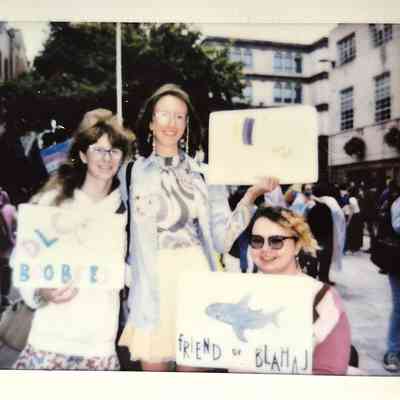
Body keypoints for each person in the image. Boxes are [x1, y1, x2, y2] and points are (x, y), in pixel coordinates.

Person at [118, 83, 278, 372]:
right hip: (151, 289)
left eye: (180, 116)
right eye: (164, 115)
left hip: (197, 283)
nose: (171, 123)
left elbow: (220, 240)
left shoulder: (205, 175)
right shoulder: (131, 172)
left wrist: (250, 197)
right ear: (151, 122)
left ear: (187, 124)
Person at [12, 109, 132, 370]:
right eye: (97, 149)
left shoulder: (127, 211)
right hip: (49, 342)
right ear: (82, 154)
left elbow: (134, 271)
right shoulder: (51, 203)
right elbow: (24, 260)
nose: (106, 158)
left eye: (113, 150)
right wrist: (40, 291)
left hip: (98, 347)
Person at [246, 205, 351, 374]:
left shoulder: (322, 298)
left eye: (276, 241)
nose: (265, 249)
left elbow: (330, 373)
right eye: (257, 240)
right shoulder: (237, 290)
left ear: (297, 246)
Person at [378, 180, 400, 372]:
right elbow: (398, 226)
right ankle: (392, 351)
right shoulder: (398, 203)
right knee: (399, 308)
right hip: (397, 262)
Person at [305, 183, 335, 285]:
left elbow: (307, 221)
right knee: (325, 258)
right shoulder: (329, 207)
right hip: (325, 236)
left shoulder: (311, 206)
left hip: (315, 235)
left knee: (313, 258)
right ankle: (323, 278)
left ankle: (312, 278)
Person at [0, 188, 17, 309]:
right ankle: (3, 297)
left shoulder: (7, 209)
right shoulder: (8, 209)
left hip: (6, 246)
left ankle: (4, 298)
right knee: (7, 269)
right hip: (7, 247)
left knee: (6, 268)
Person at [345, 187, 363, 253]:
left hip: (354, 216)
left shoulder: (351, 199)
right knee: (357, 231)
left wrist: (348, 221)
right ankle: (356, 246)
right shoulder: (355, 198)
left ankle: (353, 247)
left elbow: (352, 210)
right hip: (358, 215)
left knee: (352, 232)